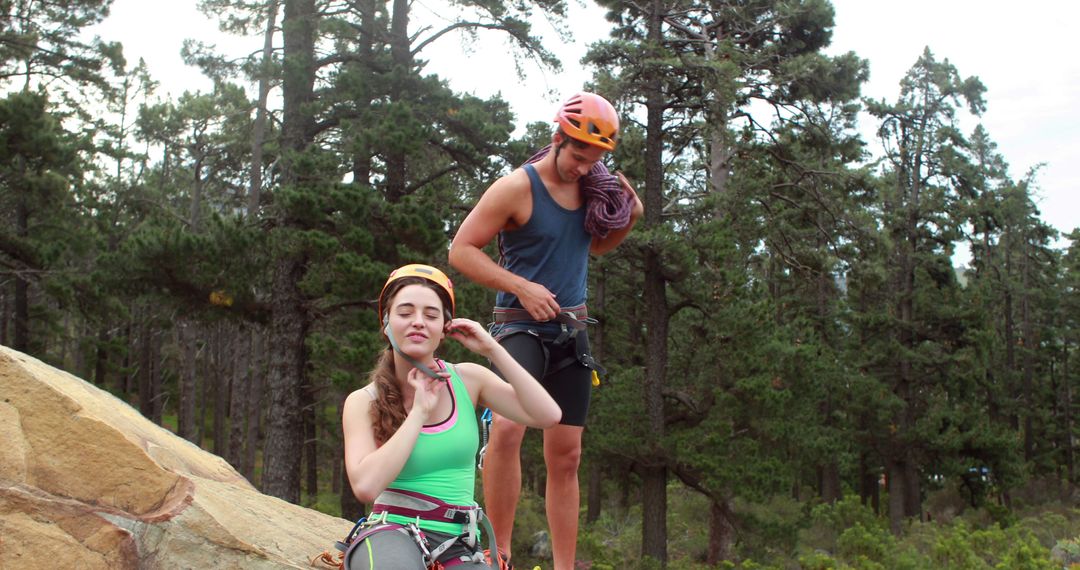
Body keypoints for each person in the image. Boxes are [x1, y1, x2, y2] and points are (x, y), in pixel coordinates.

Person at [448, 92, 643, 570]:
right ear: (558, 138)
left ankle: (563, 565)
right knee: (509, 429)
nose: (584, 166)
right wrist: (522, 287)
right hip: (518, 327)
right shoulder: (517, 188)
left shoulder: (595, 191)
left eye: (595, 158)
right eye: (579, 154)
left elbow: (593, 249)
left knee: (567, 454)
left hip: (571, 332)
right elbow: (461, 250)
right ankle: (498, 555)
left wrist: (629, 220)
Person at [341, 264, 562, 570]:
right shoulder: (363, 401)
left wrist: (492, 349)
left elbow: (548, 415)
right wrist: (419, 412)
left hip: (458, 542)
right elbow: (365, 486)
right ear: (386, 322)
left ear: (444, 327)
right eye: (405, 313)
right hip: (391, 533)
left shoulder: (468, 380)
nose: (418, 322)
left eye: (431, 315)